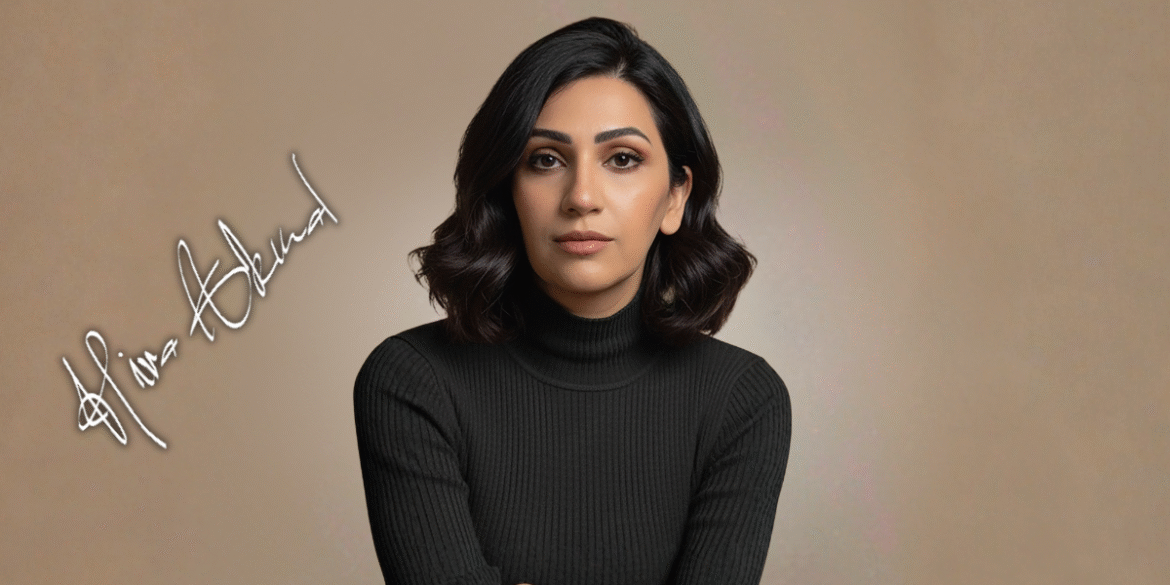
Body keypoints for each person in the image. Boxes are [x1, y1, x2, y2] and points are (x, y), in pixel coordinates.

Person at [354, 17, 792, 585]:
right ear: (507, 191)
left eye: (623, 159)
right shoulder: (412, 383)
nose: (582, 197)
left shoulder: (743, 401)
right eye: (545, 160)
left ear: (675, 197)